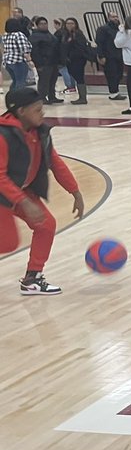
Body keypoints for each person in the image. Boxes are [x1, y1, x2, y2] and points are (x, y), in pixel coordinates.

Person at [0, 86, 86, 296]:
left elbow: (54, 162)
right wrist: (24, 202)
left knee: (46, 225)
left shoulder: (40, 132)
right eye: (37, 109)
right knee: (8, 243)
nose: (43, 113)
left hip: (17, 192)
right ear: (21, 111)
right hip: (5, 193)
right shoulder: (3, 135)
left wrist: (75, 191)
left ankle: (32, 279)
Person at [57, 18, 96, 106]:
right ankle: (81, 97)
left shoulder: (78, 34)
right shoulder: (65, 35)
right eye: (68, 23)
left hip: (78, 60)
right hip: (69, 61)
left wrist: (71, 56)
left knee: (79, 78)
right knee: (75, 76)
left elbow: (80, 48)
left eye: (72, 23)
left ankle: (83, 97)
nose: (69, 25)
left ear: (76, 24)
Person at [29, 18, 62, 105]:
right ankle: (42, 97)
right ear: (37, 25)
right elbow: (34, 52)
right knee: (44, 81)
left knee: (52, 80)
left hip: (53, 62)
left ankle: (52, 96)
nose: (44, 25)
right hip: (44, 63)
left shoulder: (50, 35)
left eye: (45, 23)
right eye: (41, 24)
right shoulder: (35, 36)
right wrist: (39, 64)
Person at [93, 12, 124, 100]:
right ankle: (113, 93)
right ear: (108, 18)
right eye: (113, 17)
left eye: (116, 16)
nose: (115, 18)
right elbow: (99, 43)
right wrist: (101, 56)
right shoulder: (103, 29)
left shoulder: (119, 29)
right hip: (109, 56)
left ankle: (116, 91)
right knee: (111, 75)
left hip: (119, 55)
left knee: (119, 74)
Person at [3, 19, 33, 91]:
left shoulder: (5, 35)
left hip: (8, 62)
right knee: (20, 82)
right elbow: (24, 48)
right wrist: (29, 60)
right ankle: (19, 96)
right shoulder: (19, 34)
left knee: (15, 81)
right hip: (18, 61)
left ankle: (11, 95)